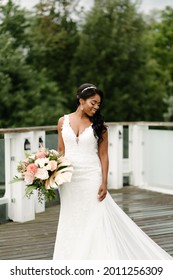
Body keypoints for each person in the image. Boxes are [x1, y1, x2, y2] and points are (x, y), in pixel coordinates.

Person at [53, 83, 172, 260]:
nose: (96, 107)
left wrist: (104, 181)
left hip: (91, 176)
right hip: (69, 179)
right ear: (81, 100)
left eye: (98, 104)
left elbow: (103, 155)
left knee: (94, 216)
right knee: (71, 217)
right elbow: (61, 151)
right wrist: (52, 172)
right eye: (93, 103)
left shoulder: (99, 126)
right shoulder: (63, 122)